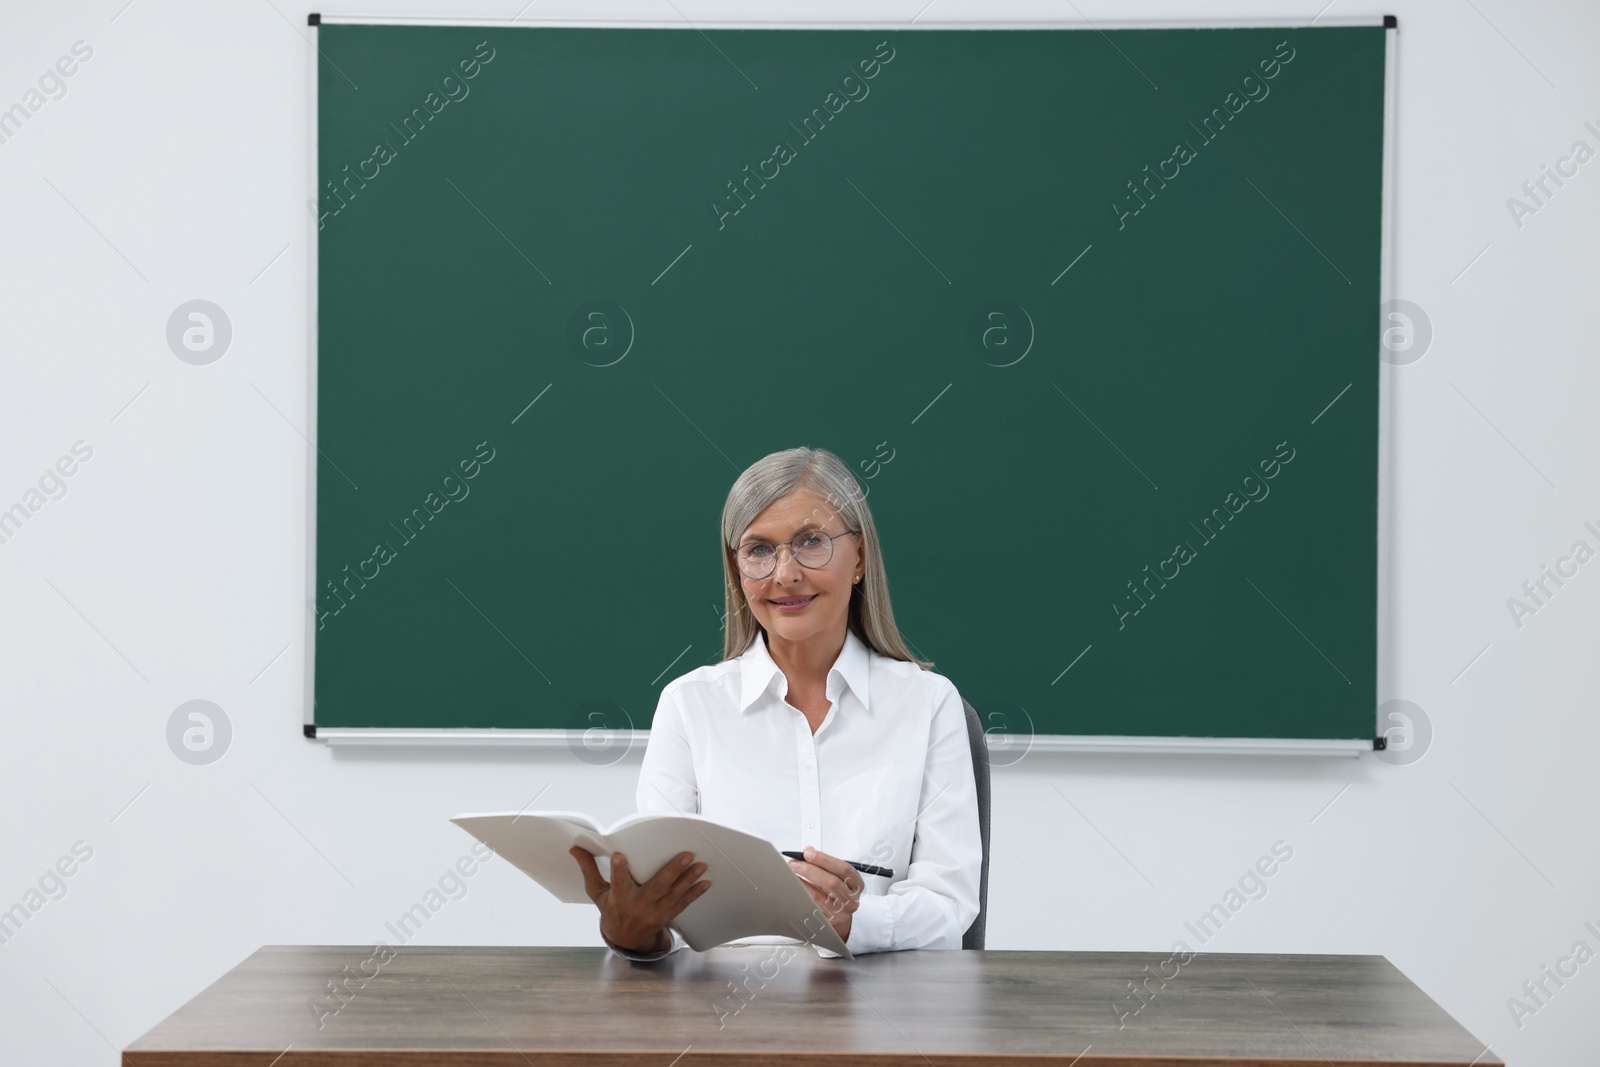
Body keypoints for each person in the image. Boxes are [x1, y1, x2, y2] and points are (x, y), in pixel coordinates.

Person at [569, 446, 982, 959]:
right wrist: (632, 934)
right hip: (720, 1022)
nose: (784, 574)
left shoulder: (928, 705)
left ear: (859, 558)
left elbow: (950, 906)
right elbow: (668, 919)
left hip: (880, 1016)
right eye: (759, 550)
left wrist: (854, 922)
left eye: (811, 542)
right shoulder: (689, 705)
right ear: (736, 569)